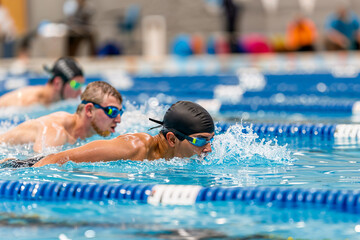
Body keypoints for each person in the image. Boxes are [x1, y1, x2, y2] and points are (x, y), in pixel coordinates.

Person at [4, 101, 215, 168]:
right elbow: (59, 158)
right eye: (200, 140)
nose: (208, 148)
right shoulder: (133, 147)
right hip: (27, 164)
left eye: (211, 140)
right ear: (171, 139)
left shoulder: (169, 156)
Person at [0, 81, 123, 153]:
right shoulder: (57, 130)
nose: (118, 119)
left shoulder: (82, 136)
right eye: (112, 111)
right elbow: (38, 168)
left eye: (120, 113)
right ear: (89, 110)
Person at [0, 57, 84, 107]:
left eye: (81, 85)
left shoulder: (52, 103)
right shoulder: (29, 102)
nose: (80, 91)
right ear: (57, 83)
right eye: (76, 85)